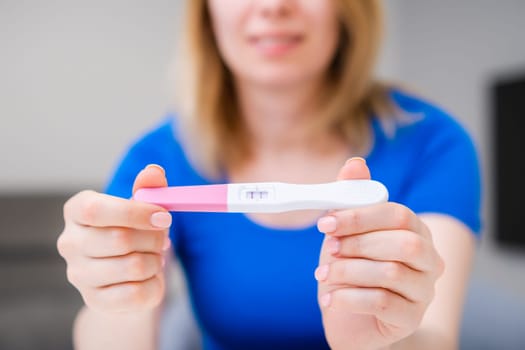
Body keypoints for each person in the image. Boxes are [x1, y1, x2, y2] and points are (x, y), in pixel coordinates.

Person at [57, 0, 481, 349]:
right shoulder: (157, 161)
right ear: (206, 12)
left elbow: (436, 337)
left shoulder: (433, 143)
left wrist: (375, 343)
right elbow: (111, 334)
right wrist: (117, 300)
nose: (274, 5)